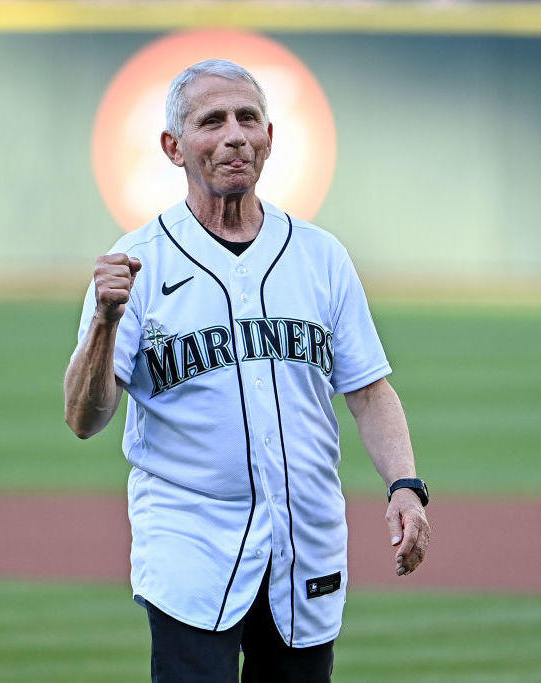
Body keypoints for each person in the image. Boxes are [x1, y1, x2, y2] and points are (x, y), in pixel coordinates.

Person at [64, 59, 430, 682]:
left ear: (269, 138)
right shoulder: (139, 264)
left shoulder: (319, 256)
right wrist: (104, 321)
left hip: (304, 535)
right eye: (213, 120)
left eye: (248, 118)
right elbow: (84, 418)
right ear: (173, 147)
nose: (235, 135)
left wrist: (404, 486)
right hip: (189, 542)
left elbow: (369, 391)